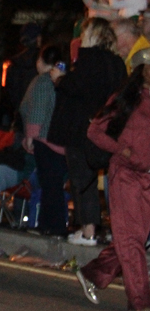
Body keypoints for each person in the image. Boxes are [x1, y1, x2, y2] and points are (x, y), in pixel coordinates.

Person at [77, 49, 150, 311]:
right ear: (141, 70)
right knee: (131, 239)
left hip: (147, 178)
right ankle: (140, 301)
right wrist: (122, 150)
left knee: (135, 239)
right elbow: (94, 130)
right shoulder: (127, 100)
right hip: (126, 176)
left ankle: (92, 274)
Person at [47, 18, 126, 245]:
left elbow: (78, 87)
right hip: (106, 128)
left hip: (81, 127)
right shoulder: (117, 63)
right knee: (100, 179)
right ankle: (107, 229)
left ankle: (88, 230)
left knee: (81, 178)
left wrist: (60, 79)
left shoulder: (89, 59)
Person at [20, 45, 69, 236]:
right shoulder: (63, 80)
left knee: (49, 185)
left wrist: (31, 136)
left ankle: (51, 225)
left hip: (45, 139)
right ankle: (52, 224)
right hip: (60, 139)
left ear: (41, 61)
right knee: (54, 184)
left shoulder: (42, 80)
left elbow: (37, 110)